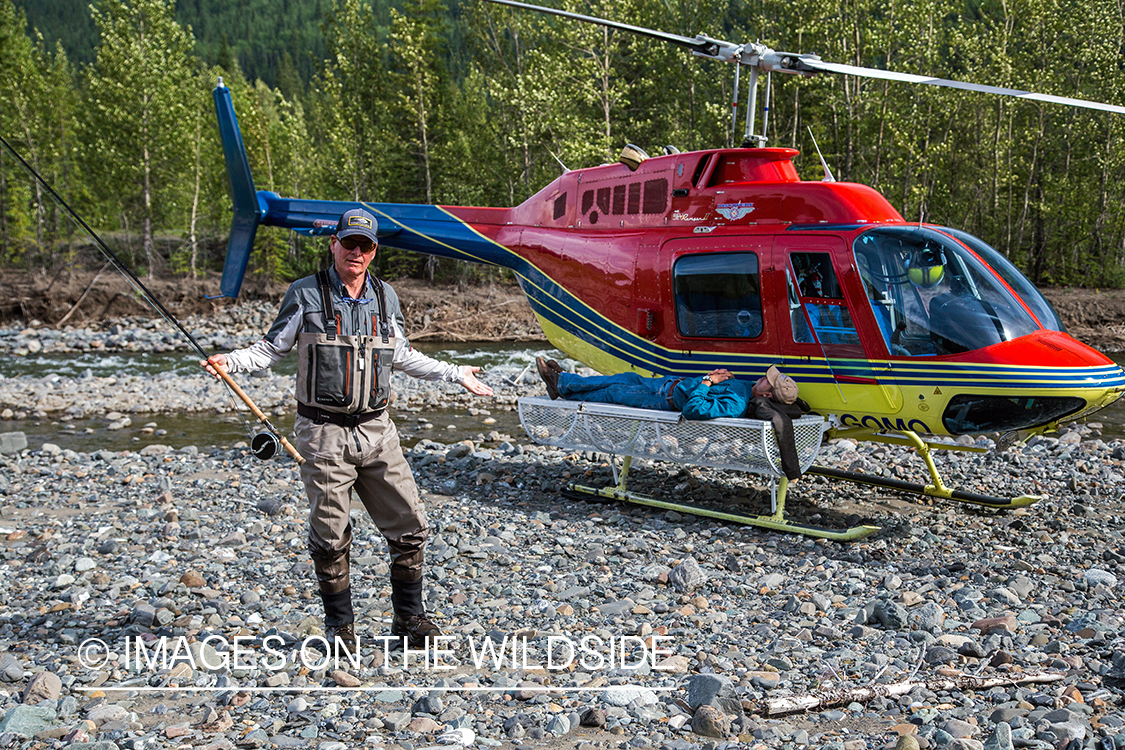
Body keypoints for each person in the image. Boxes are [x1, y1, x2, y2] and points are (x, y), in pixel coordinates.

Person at [201, 208, 493, 652]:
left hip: (378, 430)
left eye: (365, 246)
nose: (356, 252)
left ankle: (409, 621)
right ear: (333, 244)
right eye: (349, 243)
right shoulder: (304, 294)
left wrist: (456, 374)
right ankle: (340, 628)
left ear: (374, 252)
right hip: (323, 434)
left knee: (411, 524)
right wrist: (230, 362)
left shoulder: (385, 296)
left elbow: (403, 355)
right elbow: (270, 349)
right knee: (330, 534)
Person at [536, 358, 799, 420]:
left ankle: (560, 385)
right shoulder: (745, 386)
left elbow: (694, 410)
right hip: (666, 385)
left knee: (613, 392)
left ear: (766, 394)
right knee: (623, 377)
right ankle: (564, 382)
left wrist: (708, 380)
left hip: (663, 399)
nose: (765, 377)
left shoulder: (737, 404)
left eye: (768, 381)